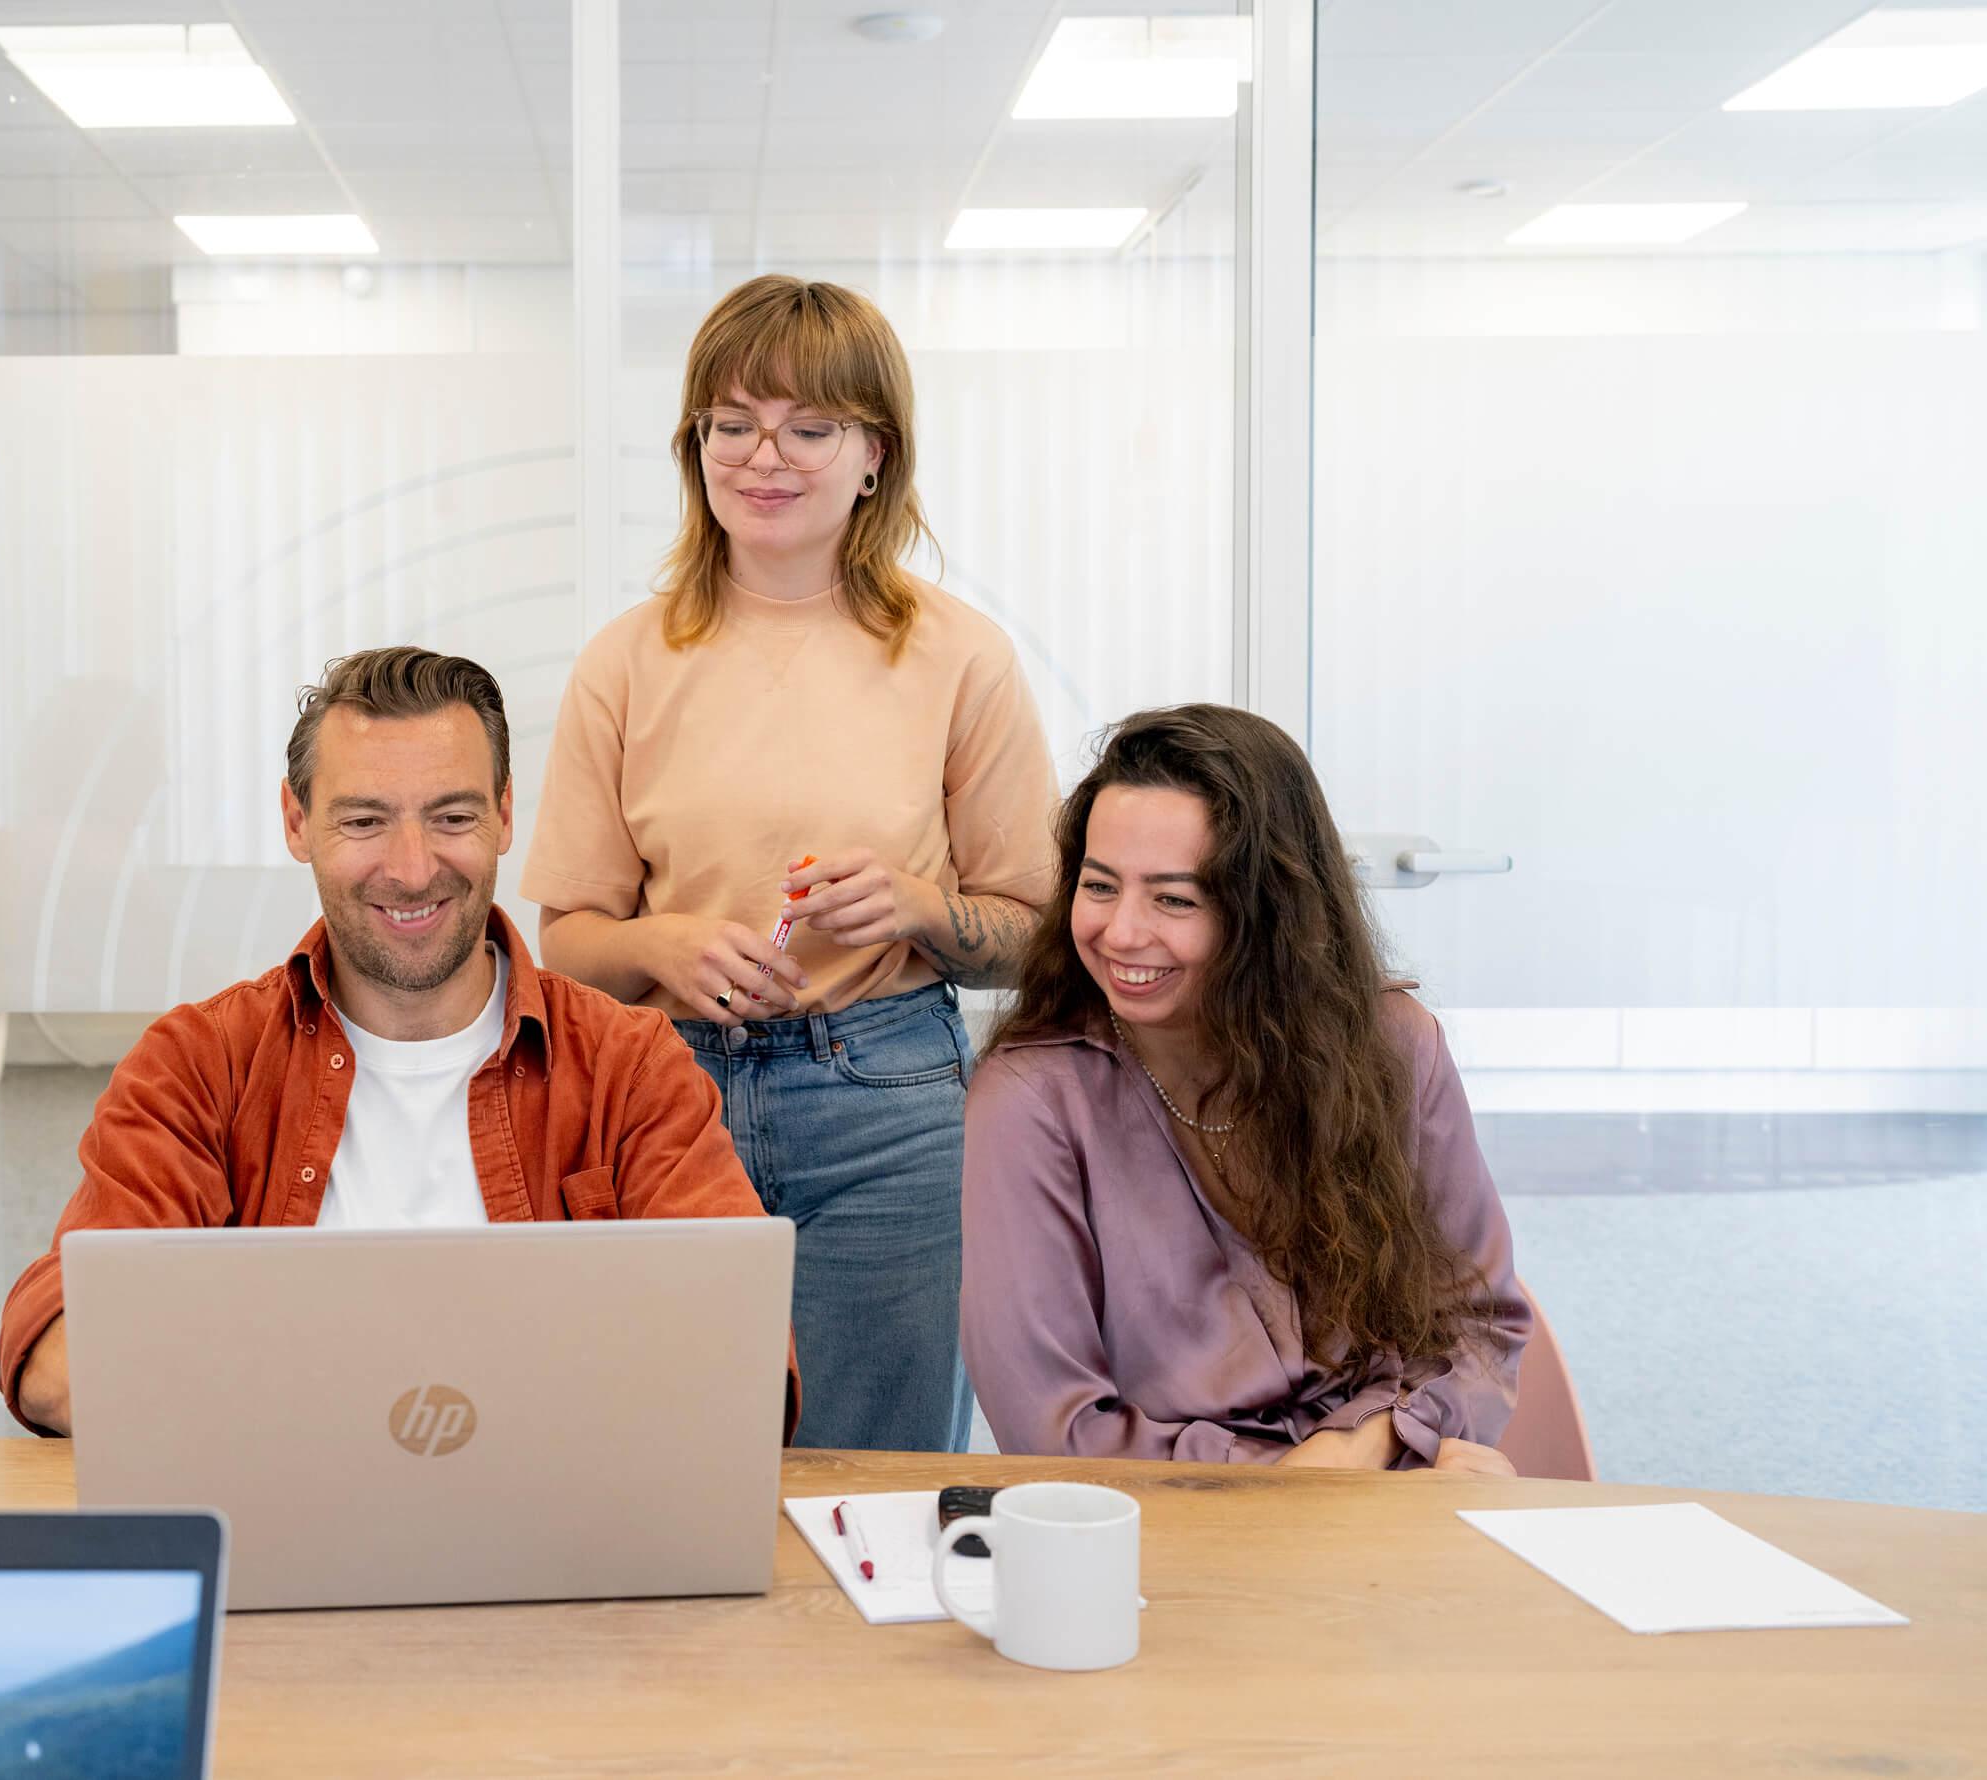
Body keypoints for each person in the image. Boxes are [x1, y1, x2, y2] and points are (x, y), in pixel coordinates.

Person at [523, 275, 1055, 1452]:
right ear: (695, 446)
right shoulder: (624, 662)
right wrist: (662, 945)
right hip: (665, 1098)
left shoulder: (960, 658)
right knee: (663, 1463)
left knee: (876, 1475)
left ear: (875, 456)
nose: (765, 456)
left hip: (890, 1106)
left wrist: (919, 907)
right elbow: (568, 941)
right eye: (732, 423)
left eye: (809, 426)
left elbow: (1034, 928)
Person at [0, 647, 784, 1436]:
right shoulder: (199, 1065)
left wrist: (258, 1368)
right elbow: (54, 1368)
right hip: (284, 1546)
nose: (411, 871)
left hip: (548, 1547)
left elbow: (745, 1362)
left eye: (451, 818)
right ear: (297, 822)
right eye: (365, 822)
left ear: (505, 816)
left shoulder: (630, 1067)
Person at [960, 704, 1530, 1471]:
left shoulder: (1396, 1045)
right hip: (1163, 1523)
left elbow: (1478, 1320)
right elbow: (1052, 1429)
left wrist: (1379, 1440)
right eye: (1100, 887)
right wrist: (1297, 1479)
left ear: (1270, 911)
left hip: (1389, 1482)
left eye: (1174, 898)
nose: (1121, 932)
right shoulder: (1030, 1097)